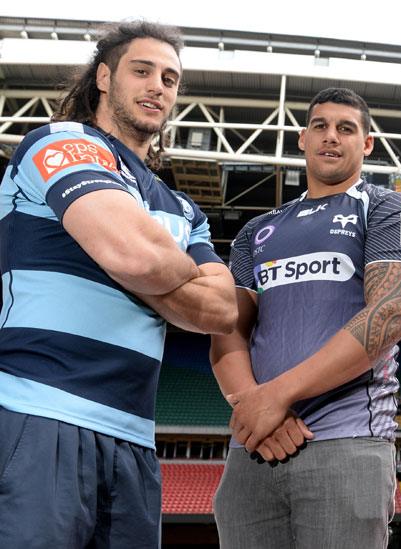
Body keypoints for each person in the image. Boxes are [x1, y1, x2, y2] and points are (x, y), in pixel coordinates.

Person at [0, 21, 236, 548]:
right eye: (143, 70)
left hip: (133, 438)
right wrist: (160, 270)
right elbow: (132, 253)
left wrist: (134, 261)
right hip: (38, 411)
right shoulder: (60, 143)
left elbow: (222, 310)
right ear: (104, 77)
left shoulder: (183, 209)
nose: (159, 86)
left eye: (171, 78)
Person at [210, 87, 401, 549]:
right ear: (302, 139)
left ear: (366, 144)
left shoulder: (388, 208)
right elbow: (228, 330)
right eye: (320, 126)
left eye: (346, 128)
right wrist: (256, 407)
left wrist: (275, 398)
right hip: (253, 449)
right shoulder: (255, 232)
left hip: (346, 441)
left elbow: (388, 317)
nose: (331, 137)